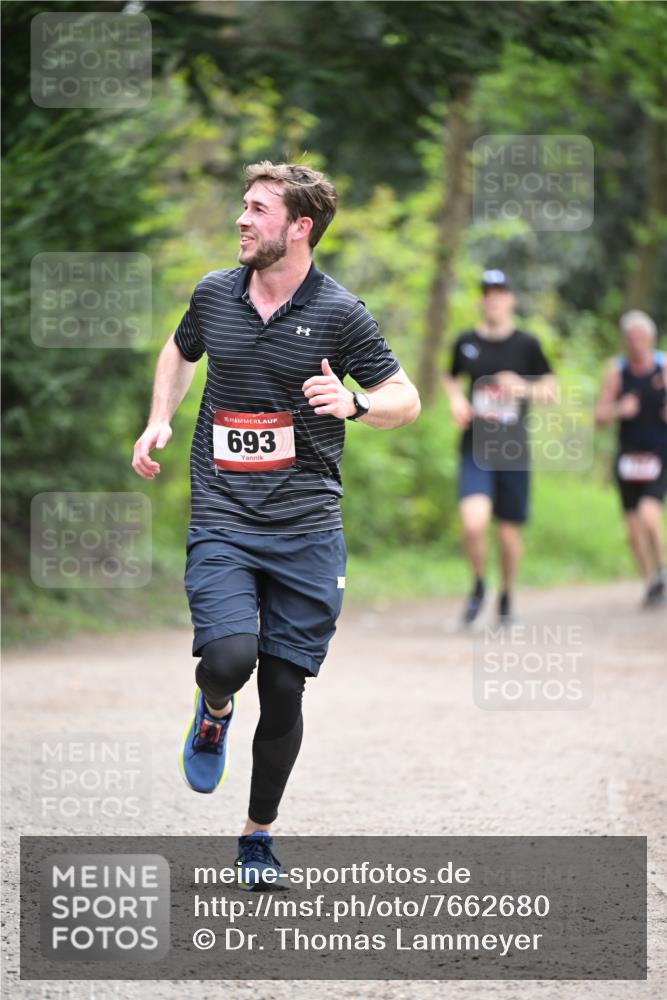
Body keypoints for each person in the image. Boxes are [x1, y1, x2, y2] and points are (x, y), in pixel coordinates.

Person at [132, 161, 420, 886]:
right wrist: (159, 419)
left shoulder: (339, 313)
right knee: (228, 661)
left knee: (286, 688)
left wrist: (355, 405)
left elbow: (404, 397)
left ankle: (257, 837)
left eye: (257, 209)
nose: (241, 218)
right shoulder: (213, 294)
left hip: (307, 527)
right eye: (242, 205)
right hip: (225, 513)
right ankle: (214, 708)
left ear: (299, 228)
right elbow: (179, 349)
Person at [442, 270, 557, 626]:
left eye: (500, 293)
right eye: (487, 293)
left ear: (511, 300)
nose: (493, 299)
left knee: (508, 532)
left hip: (512, 450)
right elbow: (450, 377)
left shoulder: (527, 344)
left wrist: (521, 387)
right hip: (475, 446)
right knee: (473, 523)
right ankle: (479, 585)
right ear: (481, 300)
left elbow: (550, 390)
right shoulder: (466, 341)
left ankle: (506, 593)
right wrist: (457, 400)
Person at [595, 310, 666, 607]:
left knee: (650, 515)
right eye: (631, 338)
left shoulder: (663, 368)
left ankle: (661, 569)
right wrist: (618, 409)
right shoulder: (616, 371)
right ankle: (650, 582)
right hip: (627, 458)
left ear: (651, 339)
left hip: (659, 455)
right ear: (625, 341)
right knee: (632, 531)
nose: (637, 343)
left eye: (642, 338)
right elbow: (598, 416)